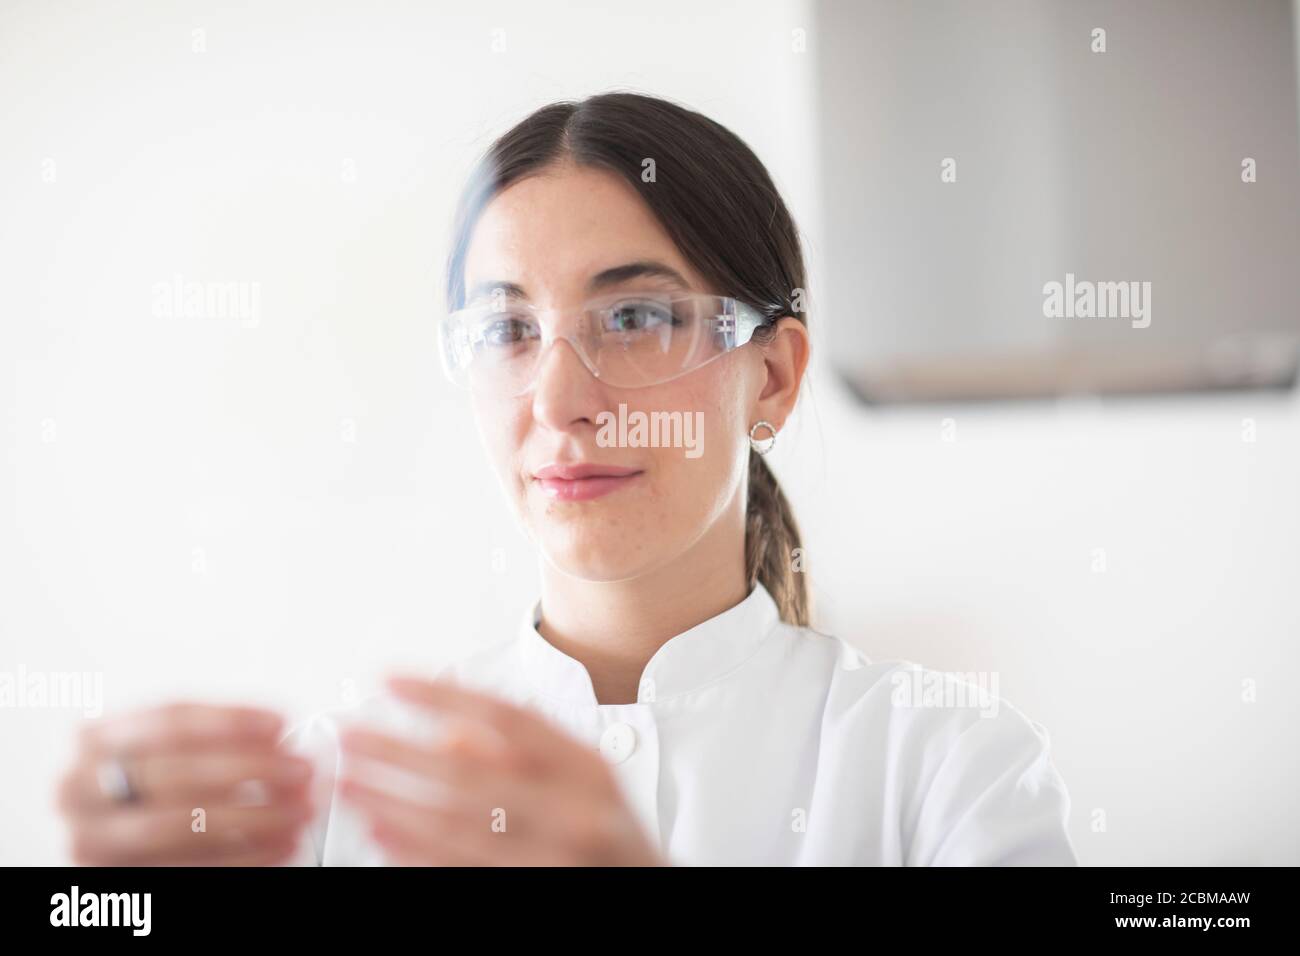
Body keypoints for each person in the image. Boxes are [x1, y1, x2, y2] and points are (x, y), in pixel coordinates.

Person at [55, 91, 1078, 866]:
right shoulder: (335, 792)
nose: (558, 400)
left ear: (771, 374)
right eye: (507, 329)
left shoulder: (949, 769)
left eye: (633, 317)